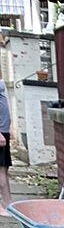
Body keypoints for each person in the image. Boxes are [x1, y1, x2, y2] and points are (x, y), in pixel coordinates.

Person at [0, 77, 12, 214]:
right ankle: (6, 204)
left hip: (4, 130)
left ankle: (6, 202)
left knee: (4, 168)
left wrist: (8, 127)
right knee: (1, 170)